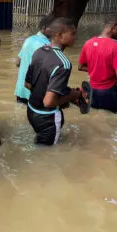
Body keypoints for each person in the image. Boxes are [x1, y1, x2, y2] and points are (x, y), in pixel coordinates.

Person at [25, 18, 90, 146]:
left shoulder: (39, 51)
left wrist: (63, 94)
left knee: (39, 146)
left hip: (31, 111)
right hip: (48, 118)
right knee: (47, 154)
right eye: (73, 33)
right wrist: (71, 96)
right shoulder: (64, 63)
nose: (76, 37)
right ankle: (78, 97)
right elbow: (48, 102)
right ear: (59, 35)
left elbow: (28, 84)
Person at [78, 15, 117, 116]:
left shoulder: (87, 44)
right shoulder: (116, 47)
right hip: (109, 94)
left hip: (92, 93)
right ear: (115, 26)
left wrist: (98, 70)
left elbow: (80, 67)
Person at [14, 15, 54, 105]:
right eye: (52, 28)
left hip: (20, 91)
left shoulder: (28, 40)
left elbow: (18, 62)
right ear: (44, 28)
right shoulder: (47, 45)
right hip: (32, 92)